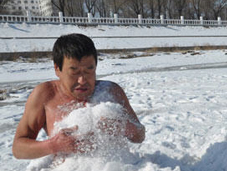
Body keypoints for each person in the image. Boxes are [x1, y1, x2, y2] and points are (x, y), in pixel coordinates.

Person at [12, 33, 145, 160]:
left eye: (89, 70)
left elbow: (140, 135)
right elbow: (18, 148)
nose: (82, 80)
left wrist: (123, 126)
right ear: (57, 69)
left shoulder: (112, 91)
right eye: (74, 72)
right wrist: (54, 145)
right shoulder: (45, 95)